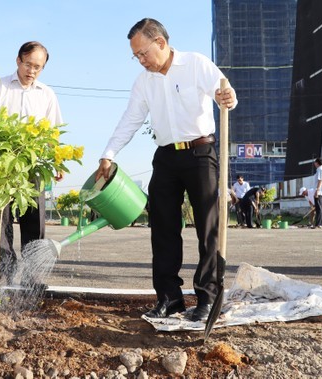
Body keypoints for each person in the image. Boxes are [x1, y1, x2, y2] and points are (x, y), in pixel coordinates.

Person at [95, 18, 237, 322]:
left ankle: (208, 298)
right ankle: (169, 298)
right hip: (165, 158)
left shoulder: (195, 63)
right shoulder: (143, 82)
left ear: (160, 42)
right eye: (136, 56)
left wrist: (228, 98)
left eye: (143, 53)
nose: (141, 61)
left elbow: (222, 91)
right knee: (162, 229)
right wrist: (108, 154)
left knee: (208, 229)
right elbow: (130, 119)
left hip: (200, 154)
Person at [0, 41, 63, 283]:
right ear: (18, 61)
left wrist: (57, 161)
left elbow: (53, 132)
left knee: (34, 221)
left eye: (38, 67)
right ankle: (4, 271)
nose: (32, 71)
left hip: (32, 166)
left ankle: (31, 273)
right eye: (28, 64)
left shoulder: (46, 94)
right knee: (0, 220)